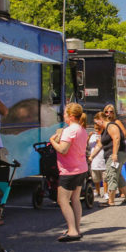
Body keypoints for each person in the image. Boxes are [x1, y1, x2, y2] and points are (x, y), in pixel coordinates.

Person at [49, 103, 89, 241]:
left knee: (63, 200)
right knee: (75, 199)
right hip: (81, 168)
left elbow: (63, 149)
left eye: (65, 114)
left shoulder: (69, 130)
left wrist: (52, 141)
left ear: (71, 116)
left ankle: (72, 230)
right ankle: (76, 228)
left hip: (69, 170)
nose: (63, 116)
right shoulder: (83, 129)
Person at [88, 110, 126, 207]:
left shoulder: (111, 126)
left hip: (116, 154)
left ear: (100, 120)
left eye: (96, 122)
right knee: (118, 176)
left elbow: (116, 138)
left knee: (111, 175)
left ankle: (111, 201)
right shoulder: (105, 130)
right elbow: (99, 145)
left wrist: (114, 154)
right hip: (118, 154)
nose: (96, 125)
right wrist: (91, 157)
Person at [88, 120, 107, 200]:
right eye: (95, 129)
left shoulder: (105, 135)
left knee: (105, 179)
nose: (97, 130)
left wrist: (100, 142)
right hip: (95, 162)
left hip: (103, 160)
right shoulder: (93, 136)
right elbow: (87, 145)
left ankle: (106, 192)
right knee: (96, 179)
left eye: (98, 129)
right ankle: (98, 191)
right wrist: (89, 137)